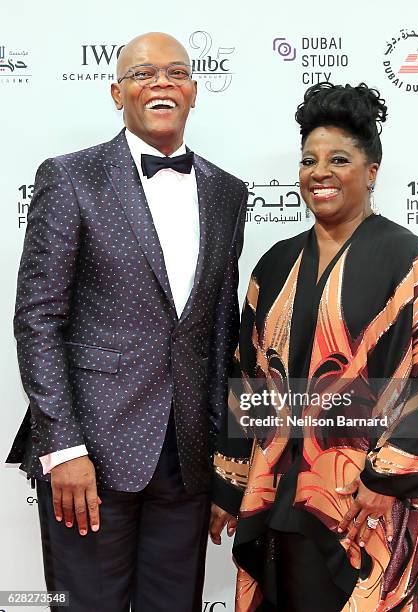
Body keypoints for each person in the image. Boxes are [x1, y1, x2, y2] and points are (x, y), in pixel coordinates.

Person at [209, 82, 418, 611]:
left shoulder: (412, 262)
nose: (320, 172)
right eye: (308, 160)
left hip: (373, 507)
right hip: (283, 498)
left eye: (338, 158)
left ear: (371, 170)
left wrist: (388, 481)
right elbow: (248, 378)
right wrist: (230, 484)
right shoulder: (274, 265)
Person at [6, 32, 247, 611]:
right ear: (117, 92)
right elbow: (38, 319)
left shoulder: (227, 192)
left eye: (175, 72)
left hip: (186, 460)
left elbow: (220, 332)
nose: (161, 82)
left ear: (193, 92)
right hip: (89, 456)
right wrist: (62, 450)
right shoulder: (71, 177)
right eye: (143, 74)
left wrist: (222, 461)